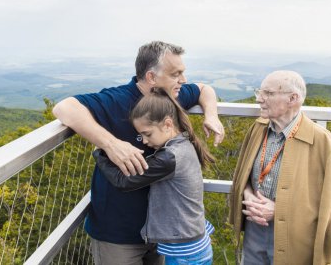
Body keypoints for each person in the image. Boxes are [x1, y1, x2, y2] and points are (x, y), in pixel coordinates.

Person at [53, 41, 225, 264]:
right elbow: (64, 108)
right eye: (176, 74)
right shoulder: (117, 100)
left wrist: (211, 114)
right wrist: (110, 144)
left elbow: (204, 89)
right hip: (119, 233)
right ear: (152, 77)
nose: (183, 80)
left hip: (162, 234)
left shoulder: (170, 97)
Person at [228, 70, 331, 265]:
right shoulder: (258, 128)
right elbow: (243, 176)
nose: (259, 99)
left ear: (293, 98)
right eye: (260, 92)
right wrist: (248, 195)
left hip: (294, 240)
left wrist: (280, 210)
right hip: (254, 232)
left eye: (268, 93)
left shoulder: (321, 142)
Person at [92, 87, 216, 265]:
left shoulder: (169, 157)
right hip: (195, 242)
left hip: (184, 252)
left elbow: (124, 181)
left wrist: (101, 153)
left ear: (167, 124)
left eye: (147, 134)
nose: (144, 141)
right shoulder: (184, 143)